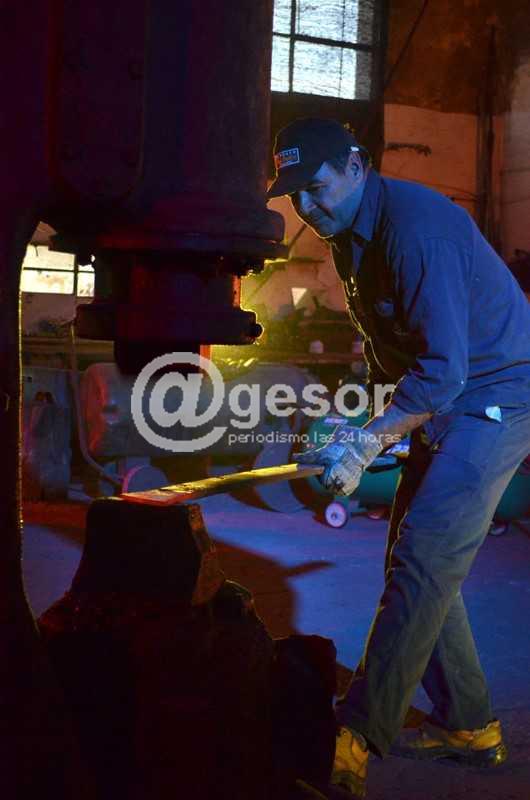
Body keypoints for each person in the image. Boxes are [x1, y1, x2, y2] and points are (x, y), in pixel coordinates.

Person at [267, 117, 530, 797]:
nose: (307, 206)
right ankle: (469, 725)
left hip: (498, 395)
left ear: (356, 166)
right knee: (416, 559)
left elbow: (443, 372)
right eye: (296, 195)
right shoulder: (349, 233)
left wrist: (370, 439)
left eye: (317, 187)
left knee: (423, 558)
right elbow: (401, 351)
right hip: (448, 393)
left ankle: (356, 735)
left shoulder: (417, 230)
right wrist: (364, 421)